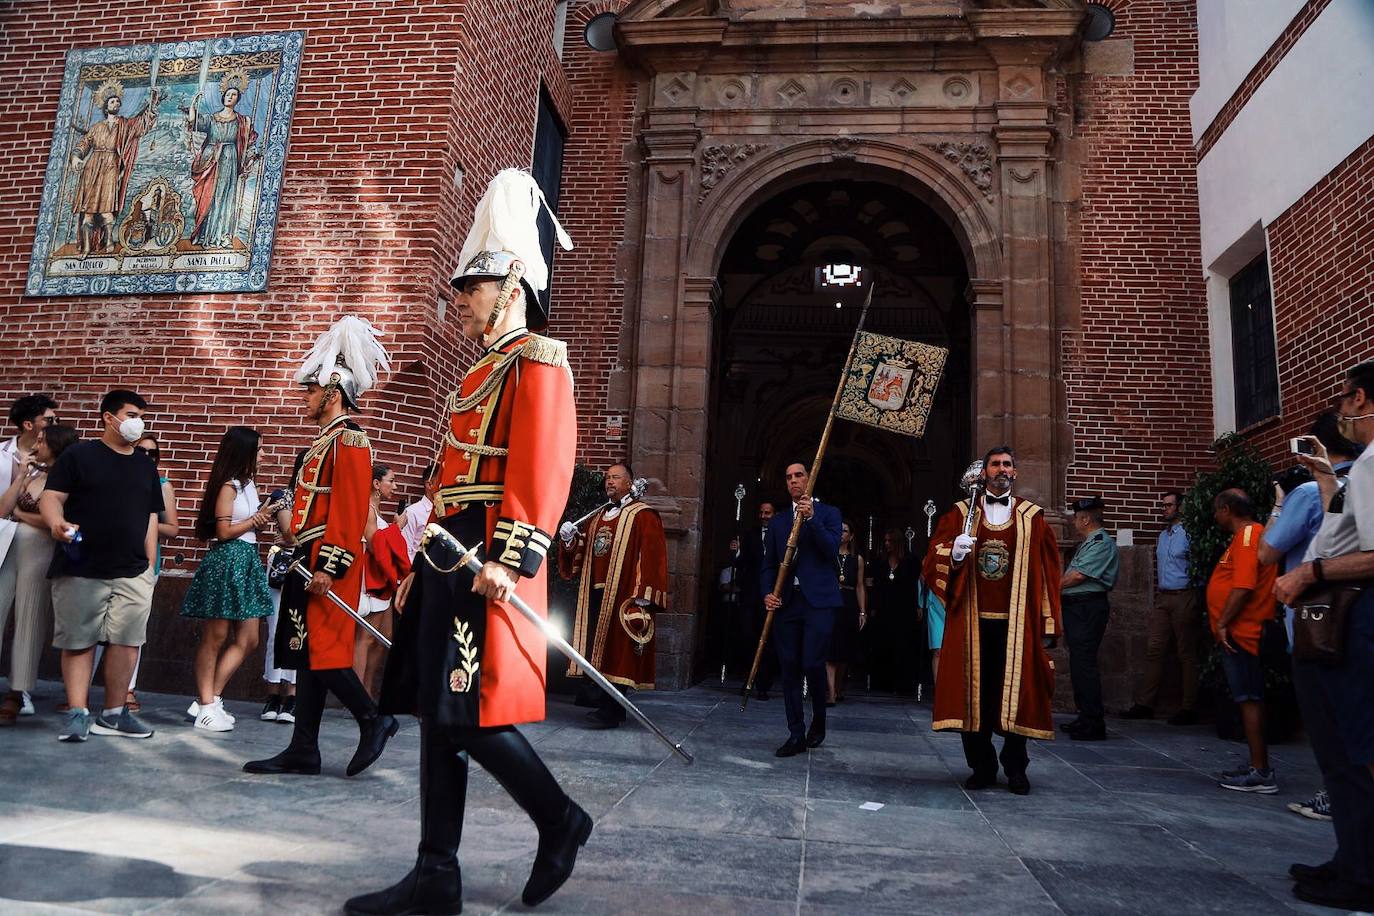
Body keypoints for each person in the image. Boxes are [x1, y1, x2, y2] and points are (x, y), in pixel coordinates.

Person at [354, 168, 586, 916]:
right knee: (438, 708)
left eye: (470, 288)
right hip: (451, 552)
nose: (459, 300)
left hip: (490, 551)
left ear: (510, 285)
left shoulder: (537, 360)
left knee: (470, 712)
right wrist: (426, 557)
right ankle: (435, 873)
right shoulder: (476, 372)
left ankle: (559, 819)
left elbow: (545, 464)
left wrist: (511, 558)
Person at [242, 316, 398, 778]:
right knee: (306, 652)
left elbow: (350, 511)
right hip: (307, 557)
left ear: (332, 393)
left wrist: (329, 564)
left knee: (324, 652)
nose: (305, 398)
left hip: (331, 560)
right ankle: (303, 748)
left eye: (311, 391)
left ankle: (374, 719)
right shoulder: (323, 442)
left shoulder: (349, 440)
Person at [1275, 360, 1374, 912]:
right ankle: (1350, 860)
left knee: (1354, 747)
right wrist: (1324, 476)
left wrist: (1306, 574)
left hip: (1352, 618)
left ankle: (1362, 874)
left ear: (1359, 400)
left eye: (1345, 401)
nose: (1343, 412)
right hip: (1337, 617)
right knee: (1338, 750)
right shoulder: (1357, 471)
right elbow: (1345, 527)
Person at [923, 446, 1062, 795]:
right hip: (971, 622)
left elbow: (1048, 572)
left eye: (1008, 465)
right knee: (974, 698)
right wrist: (953, 552)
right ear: (983, 472)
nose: (1002, 469)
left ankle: (1016, 767)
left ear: (1015, 473)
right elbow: (931, 558)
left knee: (1016, 696)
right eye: (995, 464)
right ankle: (981, 766)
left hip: (1016, 624)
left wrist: (1048, 623)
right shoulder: (959, 514)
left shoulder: (1033, 518)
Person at [39, 390, 163, 742]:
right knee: (79, 641)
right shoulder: (79, 455)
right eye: (131, 413)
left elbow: (150, 516)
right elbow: (52, 497)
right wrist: (56, 524)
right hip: (81, 565)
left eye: (141, 414)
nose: (138, 421)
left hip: (133, 570)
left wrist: (150, 566)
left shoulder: (144, 463)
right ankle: (78, 713)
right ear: (109, 418)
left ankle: (113, 714)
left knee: (127, 642)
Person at [1260, 411, 1361, 822]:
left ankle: (1338, 798)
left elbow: (1268, 551)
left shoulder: (1308, 492)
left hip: (1316, 617)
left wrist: (1280, 503)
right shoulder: (1360, 481)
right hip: (1357, 613)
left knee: (1329, 722)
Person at [557, 461, 668, 729]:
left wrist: (643, 595)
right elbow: (586, 553)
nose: (609, 482)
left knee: (618, 654)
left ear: (629, 482)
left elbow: (652, 556)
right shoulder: (599, 516)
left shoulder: (644, 515)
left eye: (616, 477)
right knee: (598, 651)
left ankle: (611, 708)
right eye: (607, 477)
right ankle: (607, 705)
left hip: (623, 594)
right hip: (595, 592)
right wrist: (571, 540)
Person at [179, 427, 275, 732]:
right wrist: (255, 519)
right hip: (228, 559)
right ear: (244, 451)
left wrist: (262, 515)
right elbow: (223, 532)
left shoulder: (249, 485)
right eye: (259, 449)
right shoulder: (228, 486)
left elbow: (245, 526)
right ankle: (207, 704)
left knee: (249, 639)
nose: (263, 454)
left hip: (246, 558)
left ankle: (211, 697)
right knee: (216, 636)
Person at [763, 461, 842, 758]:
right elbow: (769, 564)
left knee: (812, 662)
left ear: (810, 479)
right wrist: (767, 594)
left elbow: (831, 549)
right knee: (790, 668)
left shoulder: (829, 514)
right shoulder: (779, 521)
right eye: (788, 477)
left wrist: (811, 520)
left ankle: (819, 720)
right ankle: (795, 733)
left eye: (799, 476)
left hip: (819, 602)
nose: (793, 481)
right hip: (787, 603)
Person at [0, 424, 77, 726]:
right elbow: (2, 508)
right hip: (8, 547)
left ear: (57, 445)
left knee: (29, 618)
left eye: (43, 441)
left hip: (41, 551)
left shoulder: (67, 480)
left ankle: (17, 692)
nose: (37, 444)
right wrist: (20, 476)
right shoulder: (32, 473)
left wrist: (18, 515)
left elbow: (53, 523)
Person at [1208, 488, 1279, 794]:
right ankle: (1255, 762)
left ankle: (1260, 771)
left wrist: (1223, 623)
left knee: (1248, 698)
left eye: (1216, 509)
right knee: (1245, 698)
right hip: (1237, 631)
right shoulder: (1244, 536)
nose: (1214, 515)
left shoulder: (1249, 535)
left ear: (1227, 509)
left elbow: (1244, 584)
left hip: (1243, 632)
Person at [1120, 489, 1201, 725]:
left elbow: (1198, 566)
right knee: (1154, 650)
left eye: (1169, 505)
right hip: (1163, 597)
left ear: (1180, 508)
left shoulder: (1189, 534)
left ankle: (1189, 708)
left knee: (1187, 653)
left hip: (1185, 595)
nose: (1164, 509)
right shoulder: (1163, 536)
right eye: (1163, 505)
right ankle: (1145, 704)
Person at [0, 394, 58, 718]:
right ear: (28, 424)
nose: (53, 424)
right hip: (1, 540)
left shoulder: (59, 462)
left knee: (30, 616)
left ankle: (19, 690)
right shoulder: (1, 454)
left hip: (38, 544)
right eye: (48, 419)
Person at [71, 81, 159, 256]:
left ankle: (109, 240)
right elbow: (84, 143)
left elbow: (140, 124)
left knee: (107, 209)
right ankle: (87, 247)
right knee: (88, 212)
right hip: (92, 168)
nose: (116, 104)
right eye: (112, 102)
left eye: (118, 102)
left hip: (111, 166)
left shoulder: (124, 124)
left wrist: (153, 103)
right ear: (105, 106)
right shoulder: (97, 127)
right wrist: (76, 156)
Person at [1059, 496, 1119, 741]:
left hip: (1087, 607)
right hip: (1078, 607)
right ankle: (1085, 717)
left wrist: (1049, 588)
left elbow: (1077, 576)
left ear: (1085, 519)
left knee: (1085, 665)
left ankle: (1093, 723)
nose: (1074, 522)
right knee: (1079, 664)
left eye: (1076, 518)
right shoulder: (1089, 542)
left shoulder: (1101, 542)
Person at [187, 73, 258, 248]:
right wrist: (194, 104)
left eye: (233, 95)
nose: (229, 97)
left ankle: (224, 234)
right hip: (211, 159)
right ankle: (203, 234)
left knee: (225, 197)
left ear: (238, 99)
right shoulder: (212, 118)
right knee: (208, 195)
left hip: (229, 158)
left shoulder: (242, 121)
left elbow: (249, 139)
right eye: (227, 94)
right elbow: (195, 122)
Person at [261, 463, 299, 724]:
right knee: (275, 630)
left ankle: (292, 695)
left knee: (298, 630)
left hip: (306, 568)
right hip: (282, 568)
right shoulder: (283, 495)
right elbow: (289, 532)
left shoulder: (324, 500)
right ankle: (273, 694)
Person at [357, 463, 400, 692]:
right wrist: (396, 529)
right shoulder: (367, 509)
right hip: (370, 578)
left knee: (384, 638)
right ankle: (357, 694)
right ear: (376, 483)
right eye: (390, 480)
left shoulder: (377, 509)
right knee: (365, 638)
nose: (394, 486)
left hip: (383, 580)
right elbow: (375, 545)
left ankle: (369, 688)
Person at [867, 527, 921, 695]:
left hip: (904, 609)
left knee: (903, 646)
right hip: (884, 609)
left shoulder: (911, 561)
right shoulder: (879, 562)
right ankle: (883, 683)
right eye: (885, 541)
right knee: (884, 644)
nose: (887, 544)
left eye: (890, 541)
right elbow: (873, 586)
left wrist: (919, 606)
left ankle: (903, 685)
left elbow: (916, 585)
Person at [740, 500, 778, 699]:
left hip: (772, 595)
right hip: (751, 594)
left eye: (768, 513)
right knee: (748, 637)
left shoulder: (782, 534)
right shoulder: (750, 535)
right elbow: (742, 563)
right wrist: (736, 552)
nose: (764, 516)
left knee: (769, 641)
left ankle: (763, 684)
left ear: (774, 515)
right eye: (762, 512)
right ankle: (748, 680)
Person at [827, 518, 866, 704]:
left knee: (843, 651)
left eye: (844, 531)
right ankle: (831, 692)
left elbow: (859, 586)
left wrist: (862, 611)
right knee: (830, 649)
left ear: (850, 536)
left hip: (849, 605)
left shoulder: (856, 559)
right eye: (838, 530)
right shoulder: (828, 555)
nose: (841, 533)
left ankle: (839, 686)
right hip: (830, 603)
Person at [396, 463, 438, 559]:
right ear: (429, 484)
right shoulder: (412, 512)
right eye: (441, 482)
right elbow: (406, 550)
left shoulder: (447, 512)